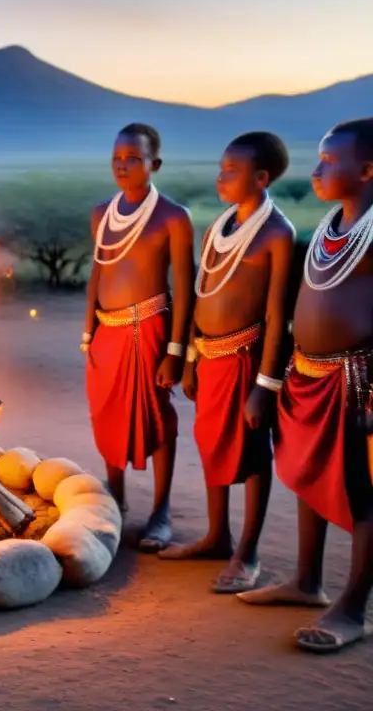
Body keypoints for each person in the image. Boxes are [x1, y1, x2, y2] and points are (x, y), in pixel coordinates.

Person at [238, 118, 373, 654]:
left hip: (356, 381)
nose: (316, 171)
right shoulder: (330, 228)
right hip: (308, 375)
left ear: (367, 170)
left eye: (328, 161)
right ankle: (307, 581)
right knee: (307, 474)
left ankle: (353, 608)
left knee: (363, 494)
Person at [159, 132, 296, 595]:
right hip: (212, 359)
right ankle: (219, 537)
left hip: (247, 360)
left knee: (253, 453)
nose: (220, 177)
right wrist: (193, 358)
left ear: (260, 178)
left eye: (231, 171)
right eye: (220, 168)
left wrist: (266, 384)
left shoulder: (277, 233)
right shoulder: (220, 226)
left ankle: (248, 552)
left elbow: (278, 315)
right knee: (213, 445)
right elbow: (202, 293)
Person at [83, 123, 195, 551]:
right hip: (106, 334)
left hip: (150, 330)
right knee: (106, 414)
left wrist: (176, 351)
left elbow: (184, 287)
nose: (122, 165)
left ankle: (161, 511)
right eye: (117, 158)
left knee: (158, 417)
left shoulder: (173, 217)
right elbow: (98, 271)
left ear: (155, 164)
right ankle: (116, 502)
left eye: (133, 158)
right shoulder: (101, 213)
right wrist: (88, 330)